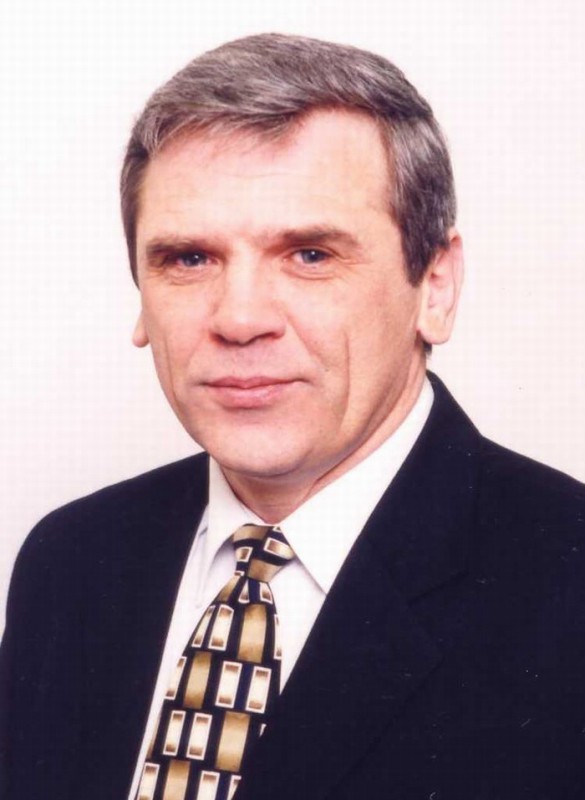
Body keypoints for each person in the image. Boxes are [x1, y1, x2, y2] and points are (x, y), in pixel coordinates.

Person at [1, 32, 585, 800]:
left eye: (309, 254)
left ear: (434, 287)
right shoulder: (70, 561)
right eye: (188, 259)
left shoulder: (566, 585)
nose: (239, 319)